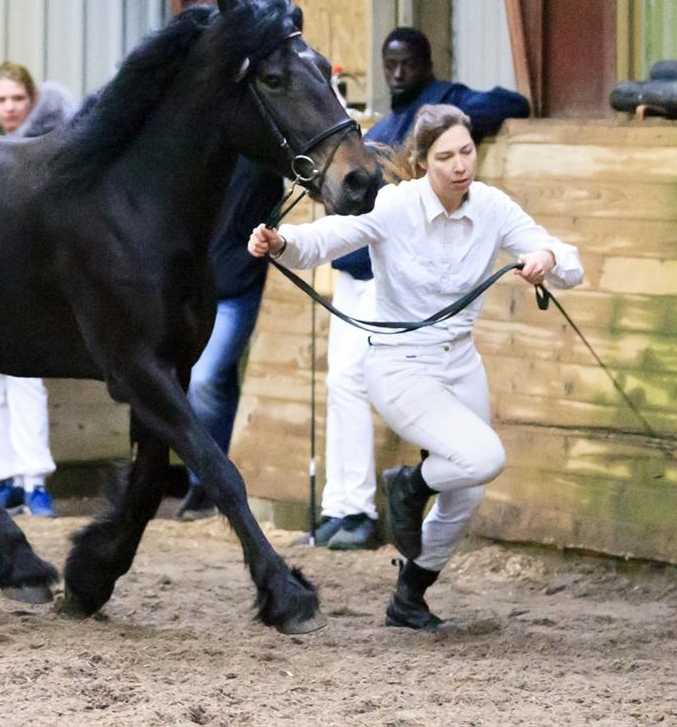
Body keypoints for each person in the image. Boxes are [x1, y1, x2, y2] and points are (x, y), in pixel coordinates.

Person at [248, 104, 582, 630]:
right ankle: (408, 484)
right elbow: (328, 239)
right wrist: (282, 241)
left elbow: (567, 258)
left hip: (461, 363)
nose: (459, 166)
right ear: (423, 162)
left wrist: (548, 260)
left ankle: (410, 596)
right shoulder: (395, 206)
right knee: (484, 456)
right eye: (445, 156)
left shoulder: (493, 207)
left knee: (468, 489)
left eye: (466, 152)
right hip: (402, 366)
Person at [312, 27, 532, 551]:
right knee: (341, 385)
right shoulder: (380, 128)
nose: (397, 73)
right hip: (355, 273)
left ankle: (367, 511)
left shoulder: (443, 103)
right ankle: (344, 505)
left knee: (357, 381)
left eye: (407, 63)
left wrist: (446, 133)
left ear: (426, 63)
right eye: (389, 64)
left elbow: (512, 102)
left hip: (392, 286)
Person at [0, 61, 77, 518]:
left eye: (18, 99)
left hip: (32, 277)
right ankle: (7, 476)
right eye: (1, 100)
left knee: (27, 379)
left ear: (32, 101)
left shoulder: (51, 148)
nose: (10, 108)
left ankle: (35, 481)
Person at [176, 157, 285, 521]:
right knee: (206, 383)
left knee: (206, 380)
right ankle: (213, 480)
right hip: (196, 286)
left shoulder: (258, 158)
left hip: (236, 287)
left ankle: (208, 485)